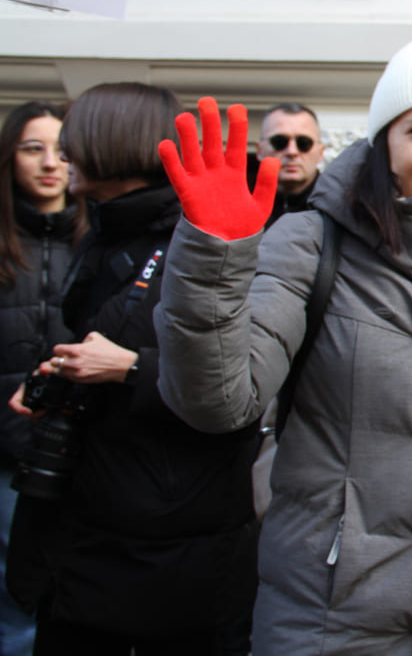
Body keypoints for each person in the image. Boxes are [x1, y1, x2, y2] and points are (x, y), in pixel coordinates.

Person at [154, 25, 412, 654]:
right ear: (382, 141)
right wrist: (213, 254)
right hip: (329, 616)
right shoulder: (312, 241)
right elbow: (218, 402)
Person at [5, 83, 258, 656]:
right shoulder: (104, 233)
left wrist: (130, 370)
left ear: (114, 142)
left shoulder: (199, 244)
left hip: (162, 553)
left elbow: (242, 391)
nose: (61, 156)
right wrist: (60, 375)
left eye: (73, 139)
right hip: (84, 530)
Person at [0, 102, 85, 656]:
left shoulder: (98, 241)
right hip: (4, 456)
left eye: (61, 150)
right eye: (33, 148)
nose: (50, 163)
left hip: (79, 453)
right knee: (11, 596)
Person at [256, 101, 326, 227]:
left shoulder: (339, 208)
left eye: (304, 143)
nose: (292, 151)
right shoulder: (241, 207)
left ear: (320, 152)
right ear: (259, 150)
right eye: (279, 142)